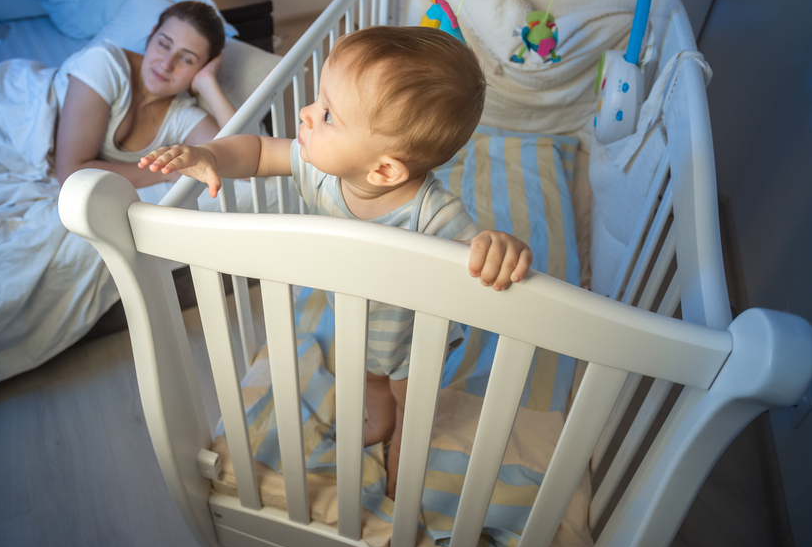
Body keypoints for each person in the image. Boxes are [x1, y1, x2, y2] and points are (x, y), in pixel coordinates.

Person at [138, 25, 532, 498]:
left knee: (410, 402)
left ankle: (402, 452)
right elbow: (258, 151)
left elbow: (478, 252)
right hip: (353, 318)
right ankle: (379, 421)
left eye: (327, 115)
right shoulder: (321, 169)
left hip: (412, 340)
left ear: (383, 169)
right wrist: (208, 154)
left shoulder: (433, 215)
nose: (305, 114)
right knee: (367, 379)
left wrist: (499, 246)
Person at [55, 0, 236, 188]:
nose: (166, 64)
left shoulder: (180, 116)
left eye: (186, 59)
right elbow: (70, 173)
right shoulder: (104, 64)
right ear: (152, 34)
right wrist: (163, 172)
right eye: (164, 44)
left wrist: (208, 84)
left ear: (202, 67)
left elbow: (244, 163)